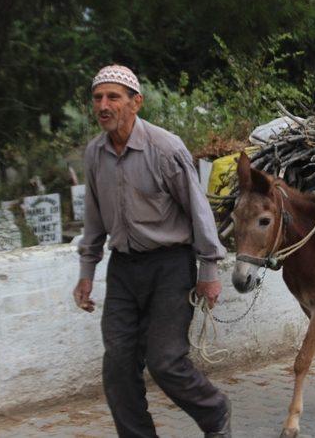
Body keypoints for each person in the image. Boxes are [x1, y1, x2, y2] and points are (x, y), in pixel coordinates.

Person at [73, 65, 231, 438]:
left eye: (113, 97)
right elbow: (94, 219)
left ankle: (215, 412)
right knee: (118, 367)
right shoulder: (94, 154)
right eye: (98, 98)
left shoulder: (165, 148)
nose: (104, 105)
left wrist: (208, 273)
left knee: (165, 362)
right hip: (124, 269)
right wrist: (86, 271)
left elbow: (198, 212)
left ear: (136, 102)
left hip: (170, 267)